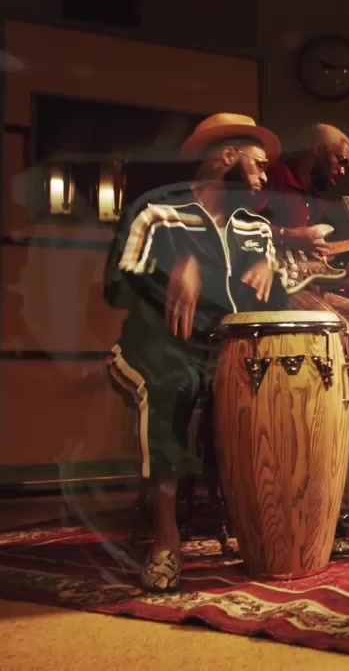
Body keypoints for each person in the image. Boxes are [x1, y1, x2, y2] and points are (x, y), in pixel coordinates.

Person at [104, 113, 287, 592]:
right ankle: (166, 539)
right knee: (170, 383)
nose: (265, 177)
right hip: (151, 350)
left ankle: (274, 523)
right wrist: (172, 274)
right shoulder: (157, 212)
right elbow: (116, 284)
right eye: (258, 165)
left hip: (223, 355)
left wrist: (273, 276)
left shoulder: (257, 229)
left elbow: (273, 299)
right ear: (227, 157)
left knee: (278, 388)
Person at [248, 123, 349, 405]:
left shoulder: (313, 201)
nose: (343, 171)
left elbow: (314, 264)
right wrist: (288, 234)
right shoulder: (276, 177)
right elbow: (241, 220)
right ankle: (324, 410)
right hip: (276, 288)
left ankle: (342, 408)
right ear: (318, 151)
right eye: (340, 161)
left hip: (308, 288)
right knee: (338, 329)